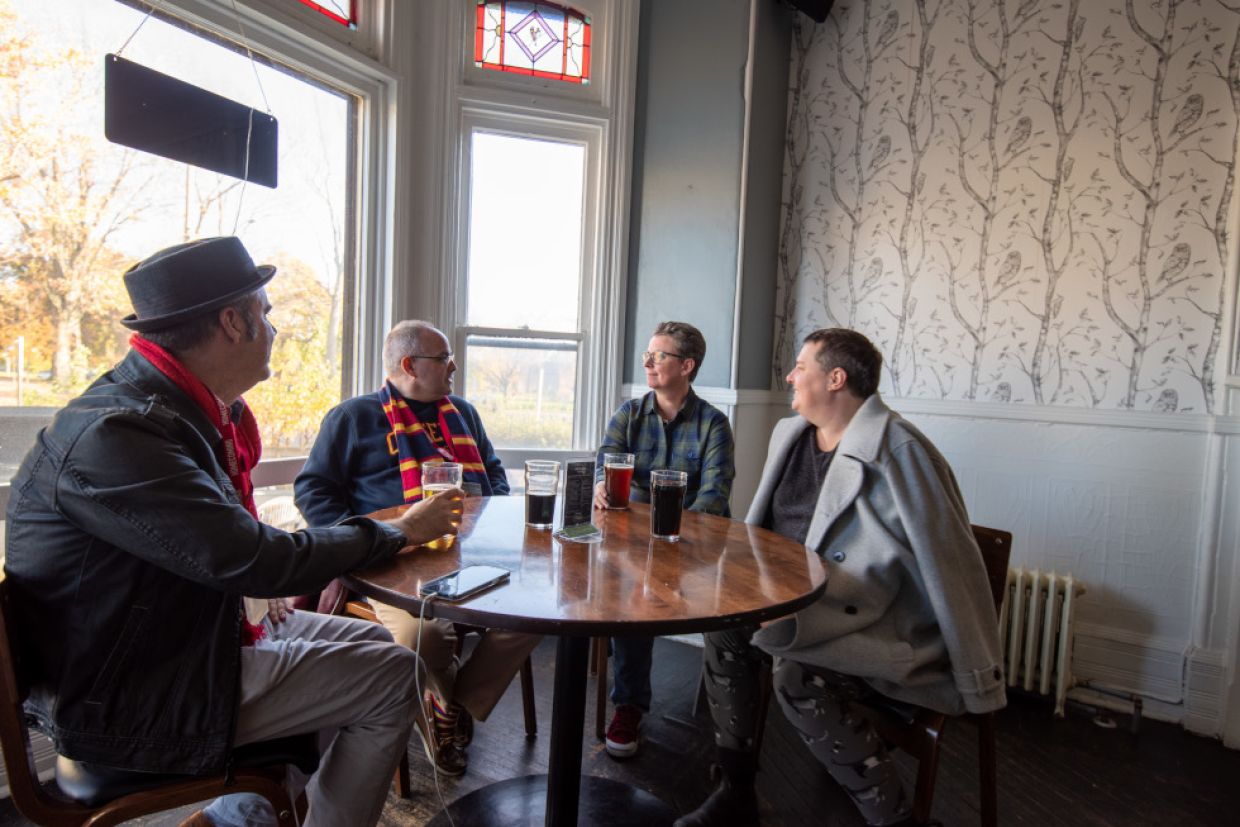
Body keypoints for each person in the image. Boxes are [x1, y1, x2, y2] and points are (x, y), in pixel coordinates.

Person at [3, 237, 465, 827]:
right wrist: (399, 532)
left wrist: (257, 597)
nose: (273, 329)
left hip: (178, 640)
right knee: (392, 674)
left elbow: (216, 549)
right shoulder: (120, 434)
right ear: (231, 322)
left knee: (379, 644)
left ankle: (239, 816)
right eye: (265, 313)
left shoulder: (180, 414)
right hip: (130, 697)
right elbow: (253, 558)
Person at [674, 328, 1006, 827]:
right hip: (792, 605)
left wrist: (977, 677)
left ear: (836, 378)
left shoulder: (901, 452)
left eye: (800, 368)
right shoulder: (789, 434)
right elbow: (764, 533)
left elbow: (952, 566)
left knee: (795, 675)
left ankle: (898, 821)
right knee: (723, 627)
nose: (789, 376)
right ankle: (736, 793)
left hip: (874, 623)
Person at [295, 319, 539, 776]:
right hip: (392, 561)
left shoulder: (462, 412)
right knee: (423, 635)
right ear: (409, 364)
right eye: (445, 358)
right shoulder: (353, 418)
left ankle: (452, 706)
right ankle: (445, 708)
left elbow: (495, 473)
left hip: (476, 554)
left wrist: (491, 511)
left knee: (538, 611)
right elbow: (314, 492)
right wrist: (359, 540)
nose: (454, 367)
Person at [592, 320, 735, 758]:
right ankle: (629, 705)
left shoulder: (714, 424)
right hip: (628, 542)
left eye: (660, 356)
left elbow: (714, 497)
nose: (649, 363)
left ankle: (730, 718)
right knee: (636, 594)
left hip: (695, 547)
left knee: (643, 593)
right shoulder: (628, 415)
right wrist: (600, 485)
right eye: (647, 355)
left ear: (686, 366)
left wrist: (671, 537)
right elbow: (603, 468)